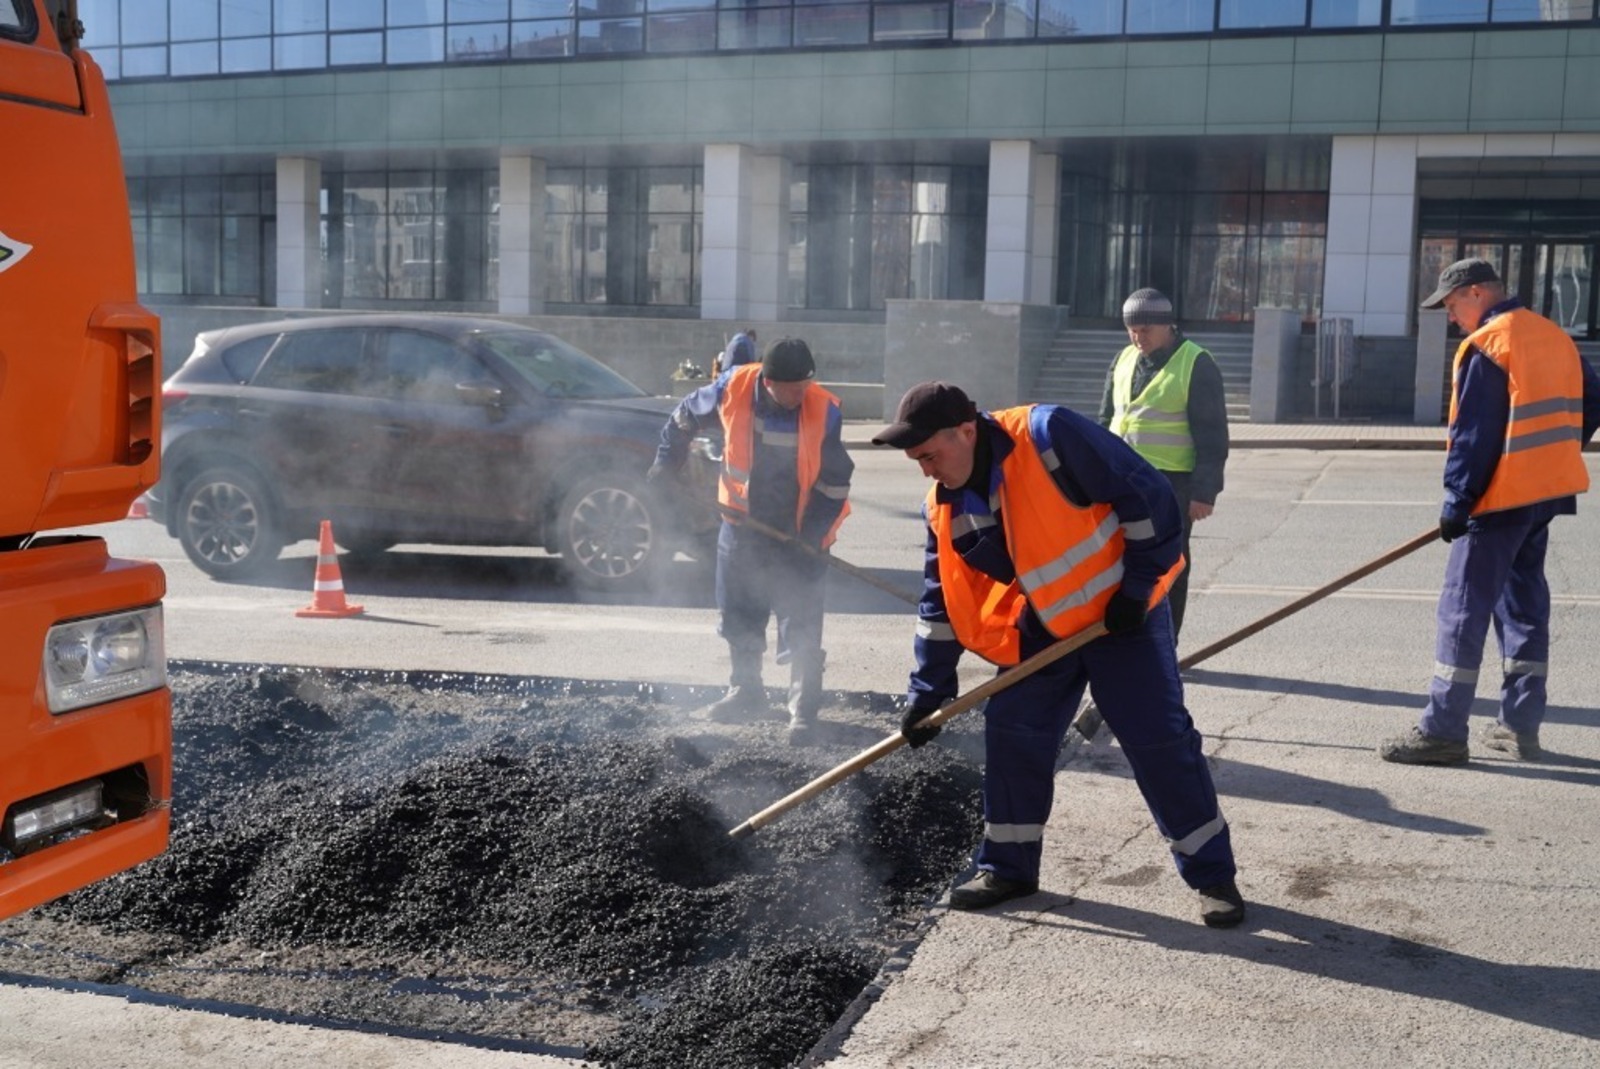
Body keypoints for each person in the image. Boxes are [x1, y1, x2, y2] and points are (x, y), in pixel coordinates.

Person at [872, 381, 1244, 927]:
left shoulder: (1049, 436)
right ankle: (1009, 867)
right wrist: (928, 694)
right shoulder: (946, 507)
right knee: (1012, 732)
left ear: (967, 432)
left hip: (1122, 620)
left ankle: (1214, 877)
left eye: (930, 455)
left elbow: (1151, 502)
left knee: (1159, 741)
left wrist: (1136, 590)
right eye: (916, 460)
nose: (926, 470)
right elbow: (942, 603)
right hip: (1045, 628)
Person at [1380, 258, 1600, 766]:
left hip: (1498, 502)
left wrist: (1458, 503)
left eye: (1453, 304)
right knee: (1523, 610)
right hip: (1544, 499)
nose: (1453, 316)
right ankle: (1519, 728)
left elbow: (1473, 438)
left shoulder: (1489, 344)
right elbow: (1597, 398)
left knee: (1462, 610)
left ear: (1477, 292)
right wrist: (1558, 454)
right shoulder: (1553, 336)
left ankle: (1443, 730)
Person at [651, 337, 853, 744]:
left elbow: (835, 482)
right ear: (768, 380)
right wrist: (666, 462)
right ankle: (745, 692)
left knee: (802, 620)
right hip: (743, 527)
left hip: (801, 532)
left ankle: (803, 712)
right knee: (739, 609)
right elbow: (683, 417)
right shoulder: (733, 388)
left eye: (805, 386)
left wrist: (812, 536)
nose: (801, 395)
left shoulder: (824, 410)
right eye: (792, 388)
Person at [1097, 287, 1230, 640]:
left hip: (1172, 484)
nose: (1138, 338)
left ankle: (1164, 641)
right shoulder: (1123, 360)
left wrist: (1205, 492)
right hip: (1121, 482)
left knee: (1169, 565)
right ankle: (1129, 636)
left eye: (1145, 330)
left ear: (1167, 325)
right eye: (1132, 330)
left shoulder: (1195, 363)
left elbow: (1212, 435)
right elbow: (1105, 419)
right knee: (1120, 562)